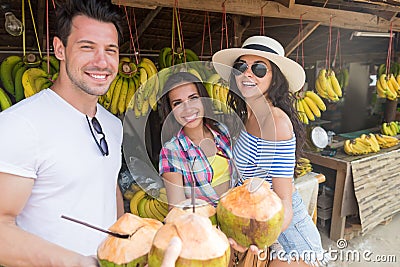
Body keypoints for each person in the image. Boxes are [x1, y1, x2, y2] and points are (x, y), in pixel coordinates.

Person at [0, 0, 124, 266]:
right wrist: (82, 263)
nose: (101, 61)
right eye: (87, 47)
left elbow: (106, 189)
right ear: (60, 49)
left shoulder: (113, 125)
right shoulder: (21, 124)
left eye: (110, 50)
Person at [212, 36, 330, 266]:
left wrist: (260, 238)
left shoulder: (276, 123)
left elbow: (284, 198)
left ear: (274, 78)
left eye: (258, 69)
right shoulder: (247, 117)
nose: (247, 74)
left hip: (288, 240)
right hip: (262, 227)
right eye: (240, 67)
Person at [159, 71, 236, 208]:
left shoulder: (222, 131)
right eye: (177, 103)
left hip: (238, 216)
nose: (187, 108)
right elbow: (177, 207)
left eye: (193, 98)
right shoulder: (171, 151)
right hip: (204, 224)